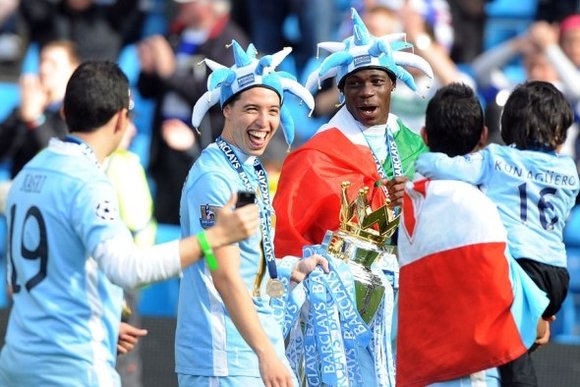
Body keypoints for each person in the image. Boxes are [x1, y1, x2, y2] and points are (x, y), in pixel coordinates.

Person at [0, 60, 260, 387]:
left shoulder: (29, 173)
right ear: (122, 118)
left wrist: (103, 320)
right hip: (72, 368)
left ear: (65, 112)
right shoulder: (88, 181)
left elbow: (45, 273)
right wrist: (215, 237)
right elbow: (128, 268)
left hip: (17, 362)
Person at [176, 40, 328, 387]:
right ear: (227, 109)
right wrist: (266, 354)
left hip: (253, 354)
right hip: (223, 358)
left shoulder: (247, 171)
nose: (264, 121)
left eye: (273, 110)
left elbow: (252, 267)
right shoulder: (214, 178)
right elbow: (224, 274)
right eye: (251, 109)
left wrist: (289, 272)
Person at [416, 80, 580, 386]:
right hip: (557, 275)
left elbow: (447, 168)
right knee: (515, 347)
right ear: (559, 132)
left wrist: (419, 161)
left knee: (509, 357)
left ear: (507, 126)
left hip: (515, 270)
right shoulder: (570, 171)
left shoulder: (497, 160)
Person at [273, 7, 432, 257]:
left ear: (392, 85)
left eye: (377, 81)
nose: (366, 92)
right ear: (342, 90)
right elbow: (285, 244)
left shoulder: (415, 148)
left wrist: (416, 198)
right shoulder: (313, 159)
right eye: (355, 83)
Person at [137, 0, 249, 225]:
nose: (180, 7)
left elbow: (219, 95)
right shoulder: (174, 34)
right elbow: (147, 91)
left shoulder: (230, 41)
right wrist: (149, 71)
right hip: (165, 149)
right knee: (167, 221)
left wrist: (169, 73)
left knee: (200, 224)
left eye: (189, 3)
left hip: (201, 151)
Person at [0, 40, 79, 178]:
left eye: (53, 64)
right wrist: (22, 116)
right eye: (42, 62)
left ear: (72, 69)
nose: (44, 69)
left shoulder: (75, 112)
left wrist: (35, 119)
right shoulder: (23, 108)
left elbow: (57, 155)